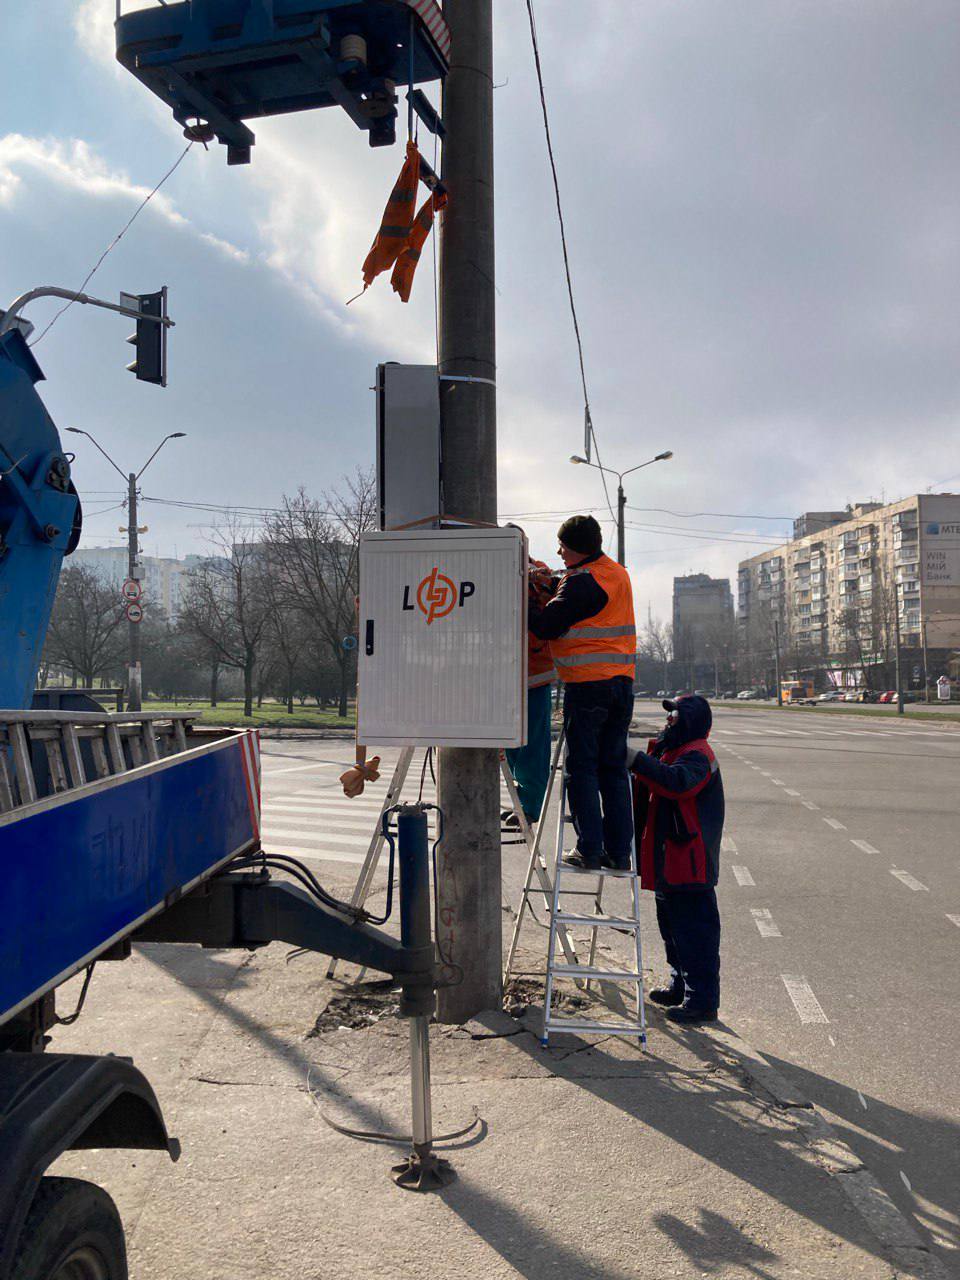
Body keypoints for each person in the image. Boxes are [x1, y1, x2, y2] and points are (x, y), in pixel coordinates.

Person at [528, 514, 636, 871]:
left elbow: (546, 626)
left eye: (562, 546)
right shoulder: (616, 572)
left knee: (582, 769)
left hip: (589, 688)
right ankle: (620, 853)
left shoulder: (579, 584)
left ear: (576, 549)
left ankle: (588, 849)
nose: (558, 552)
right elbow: (586, 601)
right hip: (622, 684)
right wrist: (555, 584)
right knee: (614, 770)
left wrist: (525, 595)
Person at [630, 694, 723, 1024]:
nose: (668, 721)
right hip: (669, 861)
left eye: (675, 716)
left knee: (695, 934)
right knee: (672, 929)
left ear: (691, 721)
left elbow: (678, 784)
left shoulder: (698, 754)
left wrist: (636, 760)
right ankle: (679, 985)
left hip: (689, 864)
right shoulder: (673, 749)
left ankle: (702, 1002)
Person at [504, 558, 558, 828]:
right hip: (506, 677)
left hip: (532, 677)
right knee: (511, 745)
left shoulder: (539, 578)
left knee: (532, 746)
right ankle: (521, 802)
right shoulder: (499, 575)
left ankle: (531, 805)